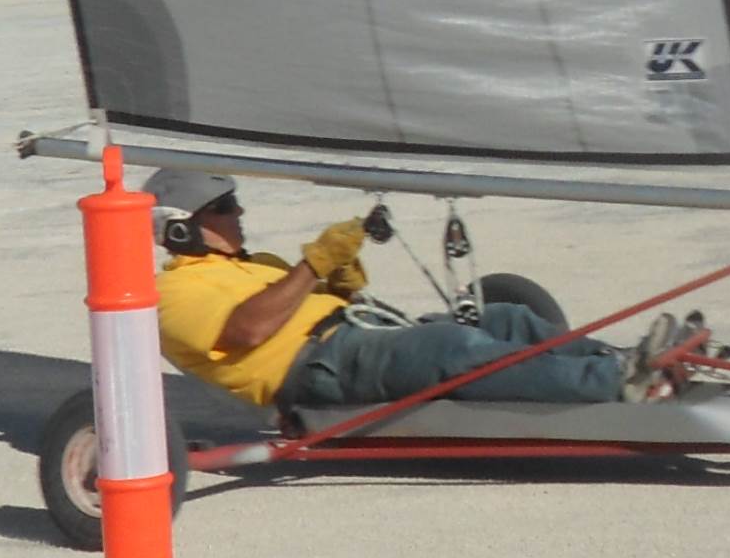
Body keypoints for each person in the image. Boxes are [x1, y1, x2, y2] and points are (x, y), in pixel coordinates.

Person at [144, 168, 672, 412]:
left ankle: (625, 359)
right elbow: (250, 328)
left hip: (352, 340)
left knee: (507, 320)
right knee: (451, 350)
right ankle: (614, 381)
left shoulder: (258, 264)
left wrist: (340, 278)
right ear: (179, 227)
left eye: (235, 203)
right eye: (224, 208)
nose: (239, 214)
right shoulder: (169, 295)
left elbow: (305, 302)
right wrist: (312, 264)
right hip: (315, 371)